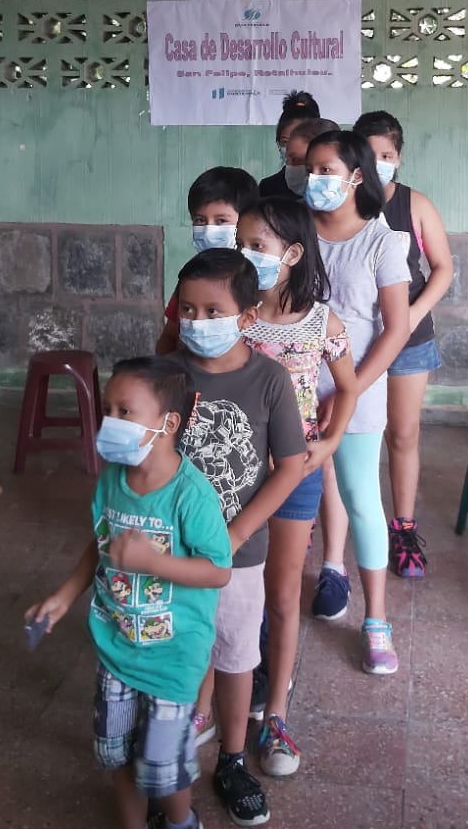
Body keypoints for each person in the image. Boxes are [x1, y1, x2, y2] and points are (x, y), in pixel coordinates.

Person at [27, 357, 231, 829]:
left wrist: (153, 563)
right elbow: (100, 546)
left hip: (173, 657)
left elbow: (218, 571)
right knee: (116, 756)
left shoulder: (190, 495)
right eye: (108, 409)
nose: (110, 422)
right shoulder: (113, 480)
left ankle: (181, 823)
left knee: (163, 769)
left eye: (125, 411)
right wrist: (62, 597)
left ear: (168, 423)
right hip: (117, 647)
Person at [172, 249, 307, 826]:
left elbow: (290, 464)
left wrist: (239, 531)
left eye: (213, 310)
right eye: (187, 310)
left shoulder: (269, 380)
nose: (198, 323)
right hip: (170, 549)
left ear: (247, 316)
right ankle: (166, 756)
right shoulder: (168, 374)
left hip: (238, 554)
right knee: (175, 652)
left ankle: (231, 759)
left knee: (232, 658)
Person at [236, 197, 358, 778]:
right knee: (234, 592)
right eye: (240, 243)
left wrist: (330, 443)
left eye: (256, 246)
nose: (244, 255)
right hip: (235, 474)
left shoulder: (321, 323)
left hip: (297, 474)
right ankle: (228, 696)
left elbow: (349, 388)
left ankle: (276, 714)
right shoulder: (231, 318)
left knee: (283, 596)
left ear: (291, 254)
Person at [302, 131, 411, 675]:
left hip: (360, 392)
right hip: (293, 388)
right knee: (297, 495)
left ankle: (376, 622)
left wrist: (350, 389)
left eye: (328, 170)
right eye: (310, 169)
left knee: (361, 497)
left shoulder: (383, 242)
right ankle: (325, 574)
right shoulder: (294, 232)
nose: (316, 180)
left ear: (356, 177)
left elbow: (395, 330)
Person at [354, 111, 454, 578]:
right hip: (356, 342)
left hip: (410, 341)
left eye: (386, 156)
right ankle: (352, 527)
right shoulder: (343, 203)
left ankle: (403, 527)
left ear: (398, 157)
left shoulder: (415, 205)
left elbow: (443, 268)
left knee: (403, 434)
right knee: (353, 436)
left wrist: (411, 314)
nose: (378, 164)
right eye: (369, 155)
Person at [154, 166, 258, 355]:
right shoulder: (193, 277)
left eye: (221, 221)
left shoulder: (261, 279)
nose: (209, 231)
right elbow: (170, 335)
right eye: (200, 220)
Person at [255, 91, 319, 201]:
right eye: (285, 141)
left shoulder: (329, 184)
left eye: (302, 140)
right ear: (278, 142)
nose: (292, 148)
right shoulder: (268, 187)